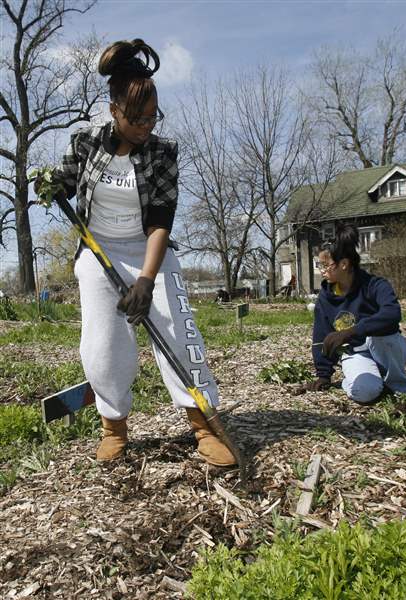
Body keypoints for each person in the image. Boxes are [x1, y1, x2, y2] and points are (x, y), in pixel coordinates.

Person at [34, 39, 235, 466]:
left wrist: (146, 279)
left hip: (149, 250)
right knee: (104, 344)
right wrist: (47, 184)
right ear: (114, 111)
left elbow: (161, 220)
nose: (146, 125)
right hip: (98, 249)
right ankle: (114, 428)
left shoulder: (163, 154)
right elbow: (63, 184)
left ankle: (203, 424)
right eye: (136, 118)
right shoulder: (86, 142)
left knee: (179, 333)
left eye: (152, 117)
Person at [306, 223, 406, 405]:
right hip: (356, 354)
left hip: (386, 348)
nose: (321, 270)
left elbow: (392, 314)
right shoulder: (325, 298)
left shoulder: (375, 285)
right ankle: (372, 382)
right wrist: (323, 375)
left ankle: (403, 391)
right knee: (364, 392)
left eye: (325, 265)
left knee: (378, 335)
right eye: (319, 265)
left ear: (343, 264)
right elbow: (321, 336)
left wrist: (351, 332)